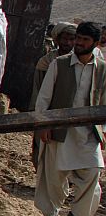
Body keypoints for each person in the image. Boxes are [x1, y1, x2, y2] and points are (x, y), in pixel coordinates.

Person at [34, 21, 105, 216]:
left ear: (95, 43)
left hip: (88, 131)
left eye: (85, 40)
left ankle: (78, 215)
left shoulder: (102, 69)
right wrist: (43, 125)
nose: (79, 43)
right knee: (55, 178)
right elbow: (44, 97)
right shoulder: (59, 64)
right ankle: (52, 215)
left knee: (93, 171)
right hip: (60, 130)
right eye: (78, 38)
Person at [31, 21, 77, 167]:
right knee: (43, 148)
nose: (67, 43)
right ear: (57, 39)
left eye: (71, 39)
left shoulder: (77, 63)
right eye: (64, 39)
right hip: (48, 110)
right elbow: (38, 90)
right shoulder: (46, 62)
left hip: (70, 112)